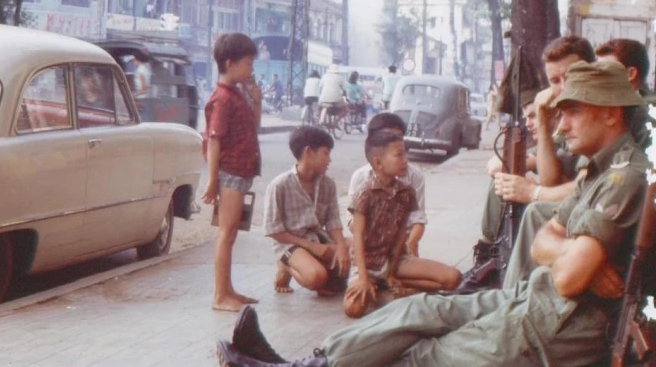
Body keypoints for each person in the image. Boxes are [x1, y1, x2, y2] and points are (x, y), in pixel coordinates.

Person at [217, 59, 649, 367]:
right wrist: (572, 253)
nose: (560, 126)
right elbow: (542, 242)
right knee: (420, 310)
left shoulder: (623, 178)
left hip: (553, 327)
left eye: (573, 111)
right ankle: (306, 363)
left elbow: (569, 276)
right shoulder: (600, 170)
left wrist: (570, 258)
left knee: (417, 355)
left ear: (610, 114)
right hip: (533, 302)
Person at [453, 36, 597, 294]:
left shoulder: (595, 116)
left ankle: (507, 291)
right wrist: (541, 121)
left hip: (593, 222)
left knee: (533, 209)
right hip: (582, 218)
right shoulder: (572, 117)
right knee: (507, 185)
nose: (563, 88)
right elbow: (554, 179)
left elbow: (586, 188)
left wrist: (532, 192)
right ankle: (492, 261)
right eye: (555, 81)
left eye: (571, 76)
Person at [344, 131, 460, 318]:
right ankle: (390, 292)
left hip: (396, 261)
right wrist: (364, 279)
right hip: (367, 263)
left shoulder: (406, 192)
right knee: (353, 309)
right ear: (378, 163)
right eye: (399, 155)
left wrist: (391, 272)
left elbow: (400, 235)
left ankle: (393, 288)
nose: (406, 159)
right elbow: (357, 236)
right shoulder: (364, 193)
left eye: (405, 153)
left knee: (452, 278)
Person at [201, 32, 262, 312]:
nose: (251, 69)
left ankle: (228, 290)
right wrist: (213, 181)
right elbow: (214, 140)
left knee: (232, 233)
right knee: (226, 233)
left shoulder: (237, 94)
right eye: (247, 63)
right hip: (229, 174)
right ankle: (219, 295)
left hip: (240, 170)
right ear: (230, 63)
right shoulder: (223, 99)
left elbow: (252, 128)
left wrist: (257, 101)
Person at [263, 126, 350, 296]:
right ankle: (286, 266)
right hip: (291, 244)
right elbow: (274, 231)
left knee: (356, 251)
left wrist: (340, 247)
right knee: (316, 277)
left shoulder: (328, 184)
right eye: (326, 153)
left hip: (319, 239)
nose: (329, 159)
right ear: (309, 152)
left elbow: (333, 221)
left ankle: (323, 274)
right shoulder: (279, 185)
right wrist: (312, 248)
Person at [347, 113, 426, 257]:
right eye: (389, 137)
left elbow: (418, 219)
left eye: (399, 137)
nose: (395, 142)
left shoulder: (414, 177)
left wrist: (409, 244)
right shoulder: (361, 179)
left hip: (404, 245)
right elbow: (353, 224)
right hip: (371, 249)